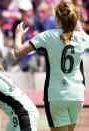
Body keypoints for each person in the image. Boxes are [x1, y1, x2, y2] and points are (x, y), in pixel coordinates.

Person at [14, 2, 89, 131]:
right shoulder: (82, 37)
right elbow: (82, 35)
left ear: (57, 18)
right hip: (77, 95)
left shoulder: (48, 35)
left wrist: (17, 36)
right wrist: (78, 27)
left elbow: (18, 52)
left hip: (56, 95)